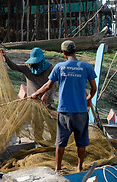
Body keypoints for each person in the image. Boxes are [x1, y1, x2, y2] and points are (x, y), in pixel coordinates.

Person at [31, 40, 97, 172]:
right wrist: (88, 99)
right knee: (81, 142)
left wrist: (35, 94)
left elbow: (48, 86)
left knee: (60, 143)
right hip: (81, 112)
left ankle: (58, 169)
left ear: (63, 53)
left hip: (64, 112)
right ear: (75, 51)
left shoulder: (60, 67)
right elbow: (94, 88)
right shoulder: (87, 67)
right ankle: (79, 168)